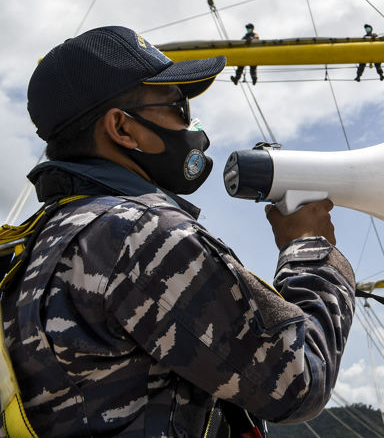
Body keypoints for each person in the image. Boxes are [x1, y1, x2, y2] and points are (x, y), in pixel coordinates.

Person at [6, 26, 355, 434]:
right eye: (178, 106)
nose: (193, 128)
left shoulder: (36, 243)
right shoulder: (138, 235)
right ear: (121, 128)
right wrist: (309, 248)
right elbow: (299, 382)